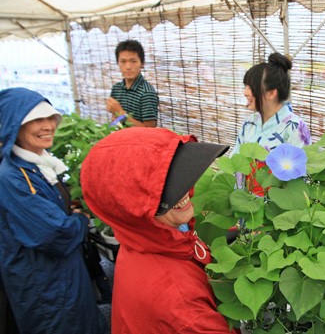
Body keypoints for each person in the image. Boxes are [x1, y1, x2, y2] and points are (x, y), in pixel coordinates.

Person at [80, 127, 238, 334]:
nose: (184, 191)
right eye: (167, 188)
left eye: (181, 175)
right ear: (132, 207)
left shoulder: (143, 238)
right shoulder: (181, 303)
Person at [0, 87, 105, 333]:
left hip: (60, 273)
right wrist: (80, 220)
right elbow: (52, 233)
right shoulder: (13, 177)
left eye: (51, 118)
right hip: (43, 280)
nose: (48, 126)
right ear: (15, 125)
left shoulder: (36, 164)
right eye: (36, 120)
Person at [231, 53, 311, 194]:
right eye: (245, 86)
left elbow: (301, 178)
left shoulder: (294, 127)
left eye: (251, 87)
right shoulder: (248, 123)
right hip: (246, 205)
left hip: (276, 208)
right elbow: (234, 163)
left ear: (271, 93)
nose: (245, 92)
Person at [106, 39, 159, 127]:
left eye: (133, 61)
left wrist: (120, 113)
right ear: (118, 63)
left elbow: (150, 131)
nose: (128, 67)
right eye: (123, 61)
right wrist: (116, 119)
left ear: (142, 63)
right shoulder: (116, 88)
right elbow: (116, 121)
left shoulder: (147, 93)